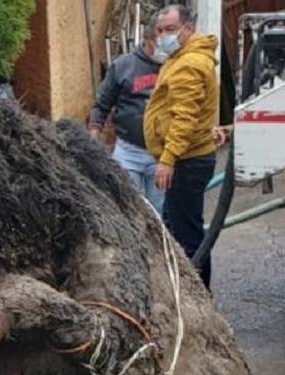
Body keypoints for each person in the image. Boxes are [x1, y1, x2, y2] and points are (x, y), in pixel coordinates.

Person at [144, 3, 220, 289]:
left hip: (186, 161)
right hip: (189, 157)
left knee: (186, 236)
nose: (164, 36)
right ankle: (190, 295)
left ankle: (199, 299)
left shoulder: (189, 62)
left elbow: (184, 117)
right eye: (160, 31)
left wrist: (168, 158)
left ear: (189, 28)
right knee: (176, 228)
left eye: (171, 30)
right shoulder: (182, 56)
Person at [89, 17, 166, 212]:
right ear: (147, 39)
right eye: (158, 42)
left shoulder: (175, 66)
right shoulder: (124, 65)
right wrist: (93, 142)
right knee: (130, 208)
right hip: (129, 152)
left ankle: (160, 242)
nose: (163, 48)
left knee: (159, 210)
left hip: (163, 154)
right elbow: (102, 105)